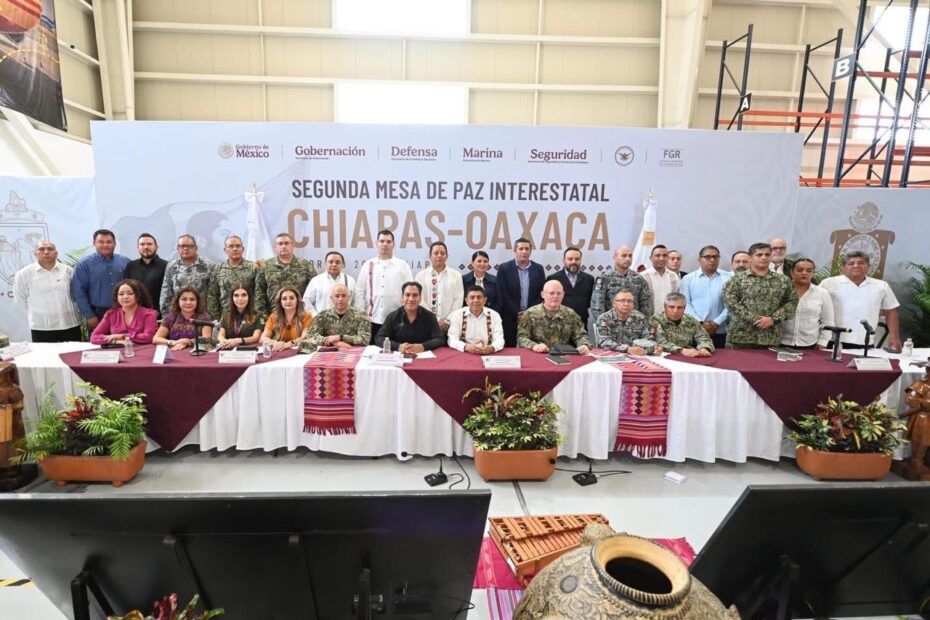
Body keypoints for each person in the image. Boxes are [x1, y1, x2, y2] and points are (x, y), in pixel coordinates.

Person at [820, 251, 901, 351]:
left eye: (861, 263)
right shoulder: (828, 283)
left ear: (868, 266)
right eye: (851, 263)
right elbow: (816, 309)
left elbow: (890, 311)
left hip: (866, 343)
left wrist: (895, 337)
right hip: (832, 342)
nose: (856, 266)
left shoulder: (881, 286)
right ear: (843, 267)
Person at [723, 242, 798, 348]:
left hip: (770, 337)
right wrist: (754, 319)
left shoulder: (783, 280)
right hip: (740, 337)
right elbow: (730, 302)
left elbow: (792, 301)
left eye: (767, 254)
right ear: (750, 257)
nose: (764, 257)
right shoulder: (736, 280)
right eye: (759, 255)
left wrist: (773, 319)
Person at [13, 240, 82, 342]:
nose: (46, 252)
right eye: (41, 249)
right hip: (42, 327)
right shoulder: (24, 274)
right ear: (35, 253)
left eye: (50, 249)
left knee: (74, 352)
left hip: (70, 325)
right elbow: (20, 299)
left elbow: (76, 294)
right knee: (45, 353)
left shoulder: (68, 270)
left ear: (56, 253)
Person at [354, 229, 414, 342]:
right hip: (372, 320)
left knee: (396, 350)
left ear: (393, 245)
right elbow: (359, 290)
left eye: (388, 241)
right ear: (376, 244)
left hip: (398, 320)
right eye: (382, 241)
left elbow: (411, 292)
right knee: (373, 350)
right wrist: (361, 314)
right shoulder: (368, 265)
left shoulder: (403, 266)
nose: (385, 244)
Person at [71, 229, 130, 329]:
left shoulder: (125, 262)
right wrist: (89, 316)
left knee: (126, 339)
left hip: (125, 311)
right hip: (97, 314)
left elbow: (135, 288)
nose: (105, 245)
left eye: (109, 242)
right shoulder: (84, 264)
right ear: (94, 243)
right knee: (100, 339)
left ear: (115, 244)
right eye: (101, 242)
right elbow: (79, 291)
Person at [494, 238, 546, 348]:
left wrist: (528, 312)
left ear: (530, 251)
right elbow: (503, 293)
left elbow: (541, 293)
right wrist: (517, 312)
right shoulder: (504, 268)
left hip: (533, 317)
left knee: (531, 349)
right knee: (509, 349)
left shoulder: (539, 269)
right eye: (521, 248)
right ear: (515, 250)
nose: (524, 251)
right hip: (510, 317)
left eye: (527, 249)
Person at [518, 280, 591, 354]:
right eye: (551, 293)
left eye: (559, 293)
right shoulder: (530, 314)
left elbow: (581, 335)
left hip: (563, 356)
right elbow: (521, 338)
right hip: (537, 355)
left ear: (563, 295)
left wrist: (584, 345)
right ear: (542, 294)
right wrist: (534, 346)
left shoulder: (570, 314)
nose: (555, 296)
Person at [679, 245, 731, 349]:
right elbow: (685, 304)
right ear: (699, 259)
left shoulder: (729, 278)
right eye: (707, 257)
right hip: (695, 330)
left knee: (722, 357)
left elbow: (731, 304)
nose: (712, 260)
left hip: (720, 330)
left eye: (715, 257)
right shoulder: (688, 279)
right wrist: (701, 323)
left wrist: (716, 322)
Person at [255, 233, 317, 316]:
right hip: (274, 315)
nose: (283, 246)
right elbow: (259, 292)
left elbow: (314, 290)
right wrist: (262, 316)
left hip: (301, 315)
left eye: (286, 243)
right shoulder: (266, 266)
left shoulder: (305, 266)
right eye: (280, 244)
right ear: (275, 248)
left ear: (293, 246)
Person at [590, 245, 654, 324]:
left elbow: (646, 303)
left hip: (635, 325)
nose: (628, 259)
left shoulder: (638, 278)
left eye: (630, 256)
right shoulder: (604, 277)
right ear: (615, 257)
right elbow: (597, 306)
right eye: (624, 256)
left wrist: (643, 322)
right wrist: (605, 323)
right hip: (611, 325)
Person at [375, 281, 445, 353]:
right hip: (399, 357)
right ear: (402, 297)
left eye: (415, 295)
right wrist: (398, 346)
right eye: (407, 295)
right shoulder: (392, 316)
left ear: (420, 298)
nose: (411, 299)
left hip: (423, 356)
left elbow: (439, 339)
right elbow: (379, 338)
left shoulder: (430, 317)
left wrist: (423, 346)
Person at [781, 258, 834, 349]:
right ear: (792, 272)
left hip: (810, 344)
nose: (804, 273)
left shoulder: (822, 293)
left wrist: (823, 341)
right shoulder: (781, 290)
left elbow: (828, 320)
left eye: (809, 271)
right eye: (800, 270)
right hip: (781, 341)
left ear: (813, 273)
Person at [89, 279, 158, 345]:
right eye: (121, 294)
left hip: (143, 350)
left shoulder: (148, 314)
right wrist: (116, 341)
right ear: (116, 297)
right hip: (117, 350)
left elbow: (149, 337)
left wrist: (122, 336)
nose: (125, 297)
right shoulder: (110, 314)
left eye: (130, 293)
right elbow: (94, 337)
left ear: (138, 296)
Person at [303, 284, 371, 350]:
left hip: (354, 351)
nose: (340, 299)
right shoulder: (322, 316)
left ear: (349, 297)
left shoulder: (361, 315)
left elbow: (365, 339)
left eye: (344, 296)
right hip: (329, 352)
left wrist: (341, 337)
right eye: (337, 296)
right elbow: (311, 335)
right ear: (331, 298)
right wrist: (334, 343)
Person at [159, 234, 213, 316]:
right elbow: (166, 292)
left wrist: (211, 316)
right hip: (178, 314)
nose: (185, 248)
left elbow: (213, 294)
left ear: (196, 248)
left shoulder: (209, 265)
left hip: (202, 315)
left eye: (189, 246)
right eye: (182, 246)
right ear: (177, 248)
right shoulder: (171, 266)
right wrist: (167, 316)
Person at [415, 241, 464, 331]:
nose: (439, 255)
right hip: (426, 323)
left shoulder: (456, 275)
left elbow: (458, 300)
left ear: (447, 256)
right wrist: (435, 320)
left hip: (450, 325)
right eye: (436, 253)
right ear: (429, 256)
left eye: (442, 253)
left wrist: (448, 321)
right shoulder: (420, 276)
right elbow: (420, 300)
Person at [206, 235, 258, 320]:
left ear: (243, 249)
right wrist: (216, 319)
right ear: (225, 250)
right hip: (225, 318)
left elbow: (259, 294)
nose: (235, 249)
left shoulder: (253, 268)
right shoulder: (218, 269)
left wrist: (256, 316)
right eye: (231, 246)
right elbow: (212, 296)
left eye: (238, 246)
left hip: (248, 317)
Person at [595, 290, 658, 355]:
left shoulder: (639, 317)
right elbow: (603, 341)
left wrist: (655, 347)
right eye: (622, 301)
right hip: (610, 355)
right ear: (614, 303)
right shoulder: (604, 318)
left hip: (635, 356)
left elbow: (648, 338)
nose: (626, 304)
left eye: (630, 301)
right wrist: (626, 349)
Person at [651, 292, 713, 357]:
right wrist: (681, 350)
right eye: (671, 307)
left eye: (680, 307)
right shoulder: (656, 319)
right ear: (665, 307)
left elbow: (703, 337)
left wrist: (704, 348)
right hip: (665, 357)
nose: (675, 311)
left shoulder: (691, 320)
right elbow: (660, 342)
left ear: (684, 308)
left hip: (690, 356)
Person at [447, 285, 505, 354]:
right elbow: (452, 339)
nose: (476, 300)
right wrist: (466, 347)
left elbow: (500, 339)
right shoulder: (457, 315)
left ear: (485, 300)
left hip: (487, 353)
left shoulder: (495, 315)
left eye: (479, 297)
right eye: (472, 297)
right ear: (466, 300)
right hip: (464, 353)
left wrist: (491, 348)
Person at [153, 286, 213, 351]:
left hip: (196, 353)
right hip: (173, 351)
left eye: (192, 299)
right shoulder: (170, 317)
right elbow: (156, 339)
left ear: (197, 302)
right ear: (178, 301)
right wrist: (174, 342)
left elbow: (206, 340)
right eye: (184, 299)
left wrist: (187, 343)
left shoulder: (204, 317)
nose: (188, 302)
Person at [546, 246, 595, 325]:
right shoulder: (553, 278)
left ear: (580, 260)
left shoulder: (589, 279)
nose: (573, 262)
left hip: (581, 322)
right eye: (570, 259)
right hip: (558, 322)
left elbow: (590, 301)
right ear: (563, 260)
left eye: (577, 259)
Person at [125, 233, 168, 317]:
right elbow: (127, 290)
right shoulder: (131, 266)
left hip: (158, 315)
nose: (146, 247)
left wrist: (158, 311)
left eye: (149, 244)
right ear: (138, 248)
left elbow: (169, 293)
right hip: (134, 314)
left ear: (156, 247)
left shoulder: (166, 266)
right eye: (142, 244)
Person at [302, 251, 356, 317]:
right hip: (322, 320)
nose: (334, 264)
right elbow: (306, 302)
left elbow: (355, 302)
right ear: (325, 264)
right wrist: (316, 316)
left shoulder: (350, 280)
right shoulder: (316, 280)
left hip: (345, 320)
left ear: (342, 265)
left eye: (337, 262)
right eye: (331, 262)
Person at [260, 286, 313, 352]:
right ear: (280, 302)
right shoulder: (274, 316)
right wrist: (274, 343)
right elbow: (263, 338)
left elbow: (305, 337)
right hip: (279, 350)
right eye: (284, 299)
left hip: (298, 351)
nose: (288, 301)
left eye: (292, 298)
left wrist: (289, 344)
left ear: (297, 300)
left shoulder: (307, 316)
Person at [216, 284, 264, 349]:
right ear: (232, 298)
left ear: (249, 297)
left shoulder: (258, 315)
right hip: (228, 349)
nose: (240, 299)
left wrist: (239, 341)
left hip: (249, 349)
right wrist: (223, 341)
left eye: (244, 295)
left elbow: (256, 337)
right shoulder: (226, 314)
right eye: (236, 295)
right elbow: (220, 335)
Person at [640, 245, 679, 311]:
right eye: (657, 255)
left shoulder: (673, 276)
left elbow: (677, 299)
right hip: (649, 316)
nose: (661, 258)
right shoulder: (643, 276)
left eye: (664, 255)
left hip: (669, 316)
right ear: (650, 258)